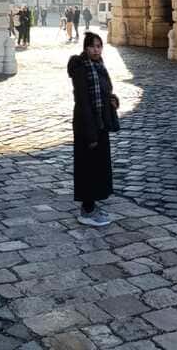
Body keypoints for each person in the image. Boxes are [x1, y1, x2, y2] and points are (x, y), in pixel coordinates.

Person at [67, 32, 119, 227]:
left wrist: (113, 101)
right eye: (92, 46)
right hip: (86, 124)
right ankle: (86, 210)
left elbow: (106, 91)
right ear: (85, 48)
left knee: (97, 167)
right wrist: (90, 134)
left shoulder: (99, 66)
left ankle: (92, 205)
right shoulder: (82, 69)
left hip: (100, 123)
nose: (96, 50)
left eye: (99, 46)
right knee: (87, 167)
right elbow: (83, 102)